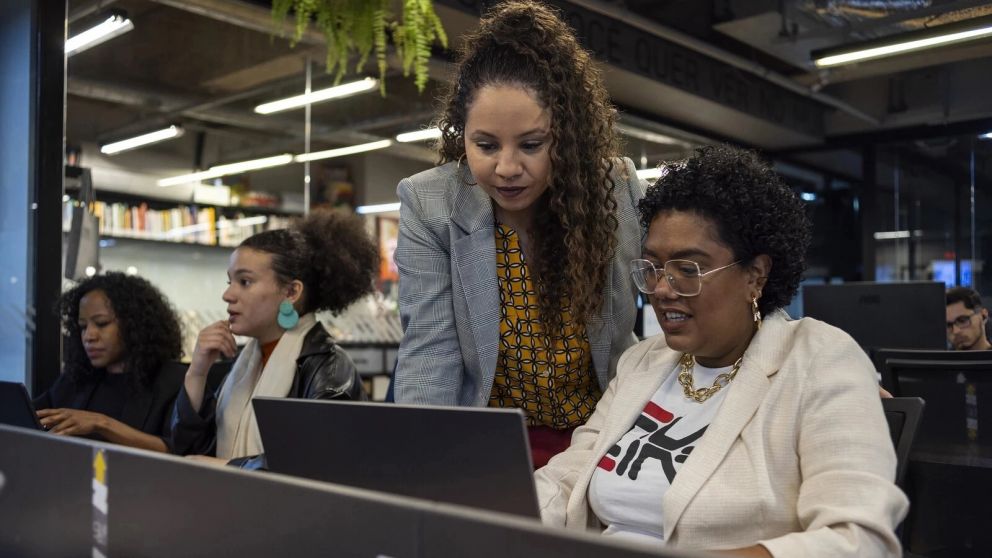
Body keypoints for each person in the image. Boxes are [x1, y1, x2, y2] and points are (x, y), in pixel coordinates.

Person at [534, 146, 908, 557]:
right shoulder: (643, 362)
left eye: (688, 269)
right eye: (653, 267)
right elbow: (566, 478)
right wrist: (496, 516)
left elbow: (858, 539)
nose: (662, 289)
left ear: (755, 275)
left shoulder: (818, 360)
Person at [392, 0, 645, 467]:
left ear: (567, 135)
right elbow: (430, 353)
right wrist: (422, 466)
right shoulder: (430, 204)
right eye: (485, 145)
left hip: (603, 440)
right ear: (462, 135)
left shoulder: (616, 189)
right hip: (490, 448)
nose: (507, 168)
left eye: (531, 144)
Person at [170, 209, 376, 467]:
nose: (228, 295)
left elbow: (319, 462)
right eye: (229, 281)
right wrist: (197, 373)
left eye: (245, 282)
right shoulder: (246, 363)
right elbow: (188, 451)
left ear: (291, 292)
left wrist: (230, 467)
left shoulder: (328, 368)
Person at [35, 272, 184, 452]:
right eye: (83, 327)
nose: (89, 336)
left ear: (134, 324)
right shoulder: (77, 379)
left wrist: (102, 424)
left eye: (102, 323)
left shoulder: (172, 381)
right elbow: (34, 417)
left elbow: (177, 450)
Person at [945, 286, 992, 351]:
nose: (956, 331)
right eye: (948, 325)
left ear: (983, 316)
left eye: (962, 321)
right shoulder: (937, 357)